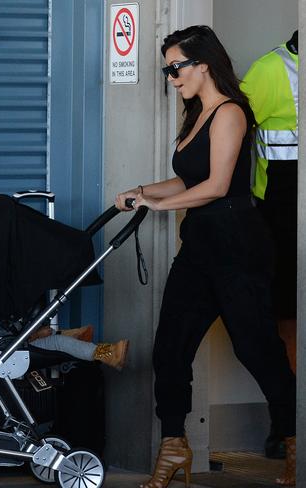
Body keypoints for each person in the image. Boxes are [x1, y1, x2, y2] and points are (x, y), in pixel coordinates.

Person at [115, 25, 296, 487]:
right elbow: (188, 179)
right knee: (170, 349)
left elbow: (216, 185)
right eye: (166, 69)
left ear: (204, 64)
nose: (170, 77)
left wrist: (157, 205)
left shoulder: (232, 113)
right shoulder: (195, 114)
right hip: (200, 247)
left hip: (238, 245)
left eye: (175, 67)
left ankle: (295, 439)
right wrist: (142, 191)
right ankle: (173, 447)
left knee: (256, 350)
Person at [241, 31, 298, 460]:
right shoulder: (268, 70)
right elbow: (232, 138)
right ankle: (290, 427)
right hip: (282, 214)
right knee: (288, 317)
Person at [28, 324, 129, 371]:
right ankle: (110, 354)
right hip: (18, 352)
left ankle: (77, 340)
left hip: (20, 340)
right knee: (56, 342)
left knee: (48, 332)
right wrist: (37, 335)